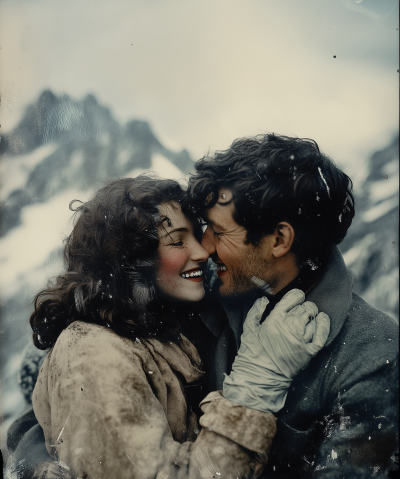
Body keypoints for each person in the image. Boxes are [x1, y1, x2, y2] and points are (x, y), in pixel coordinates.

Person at [6, 175, 330, 479]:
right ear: (129, 260)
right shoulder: (91, 351)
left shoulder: (154, 323)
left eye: (197, 233)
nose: (202, 252)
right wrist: (256, 383)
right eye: (177, 241)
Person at [188, 133, 399, 479]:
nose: (204, 247)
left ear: (279, 240)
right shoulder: (208, 290)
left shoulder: (375, 355)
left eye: (219, 231)